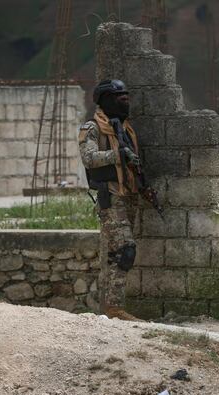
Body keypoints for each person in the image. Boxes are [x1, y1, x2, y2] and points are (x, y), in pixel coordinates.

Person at [78, 79, 143, 321]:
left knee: (115, 253)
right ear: (106, 100)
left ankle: (109, 306)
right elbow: (89, 158)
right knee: (125, 250)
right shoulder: (92, 127)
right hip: (111, 197)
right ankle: (114, 309)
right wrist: (118, 154)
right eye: (120, 98)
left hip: (130, 196)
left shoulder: (125, 128)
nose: (125, 102)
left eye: (127, 97)